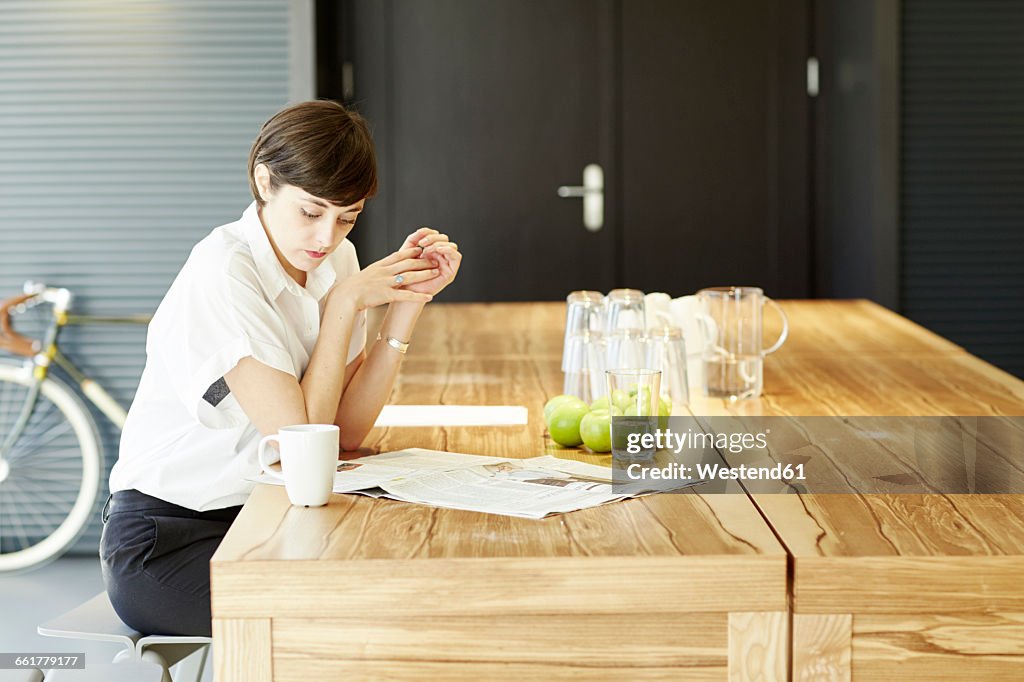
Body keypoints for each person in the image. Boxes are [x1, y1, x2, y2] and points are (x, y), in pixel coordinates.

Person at [99, 100, 461, 637]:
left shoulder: (336, 258)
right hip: (170, 539)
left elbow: (346, 432)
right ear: (264, 182)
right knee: (351, 625)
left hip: (269, 516)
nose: (326, 237)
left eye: (348, 217)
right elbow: (304, 447)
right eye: (311, 212)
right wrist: (344, 305)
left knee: (413, 589)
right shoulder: (224, 270)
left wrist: (407, 306)